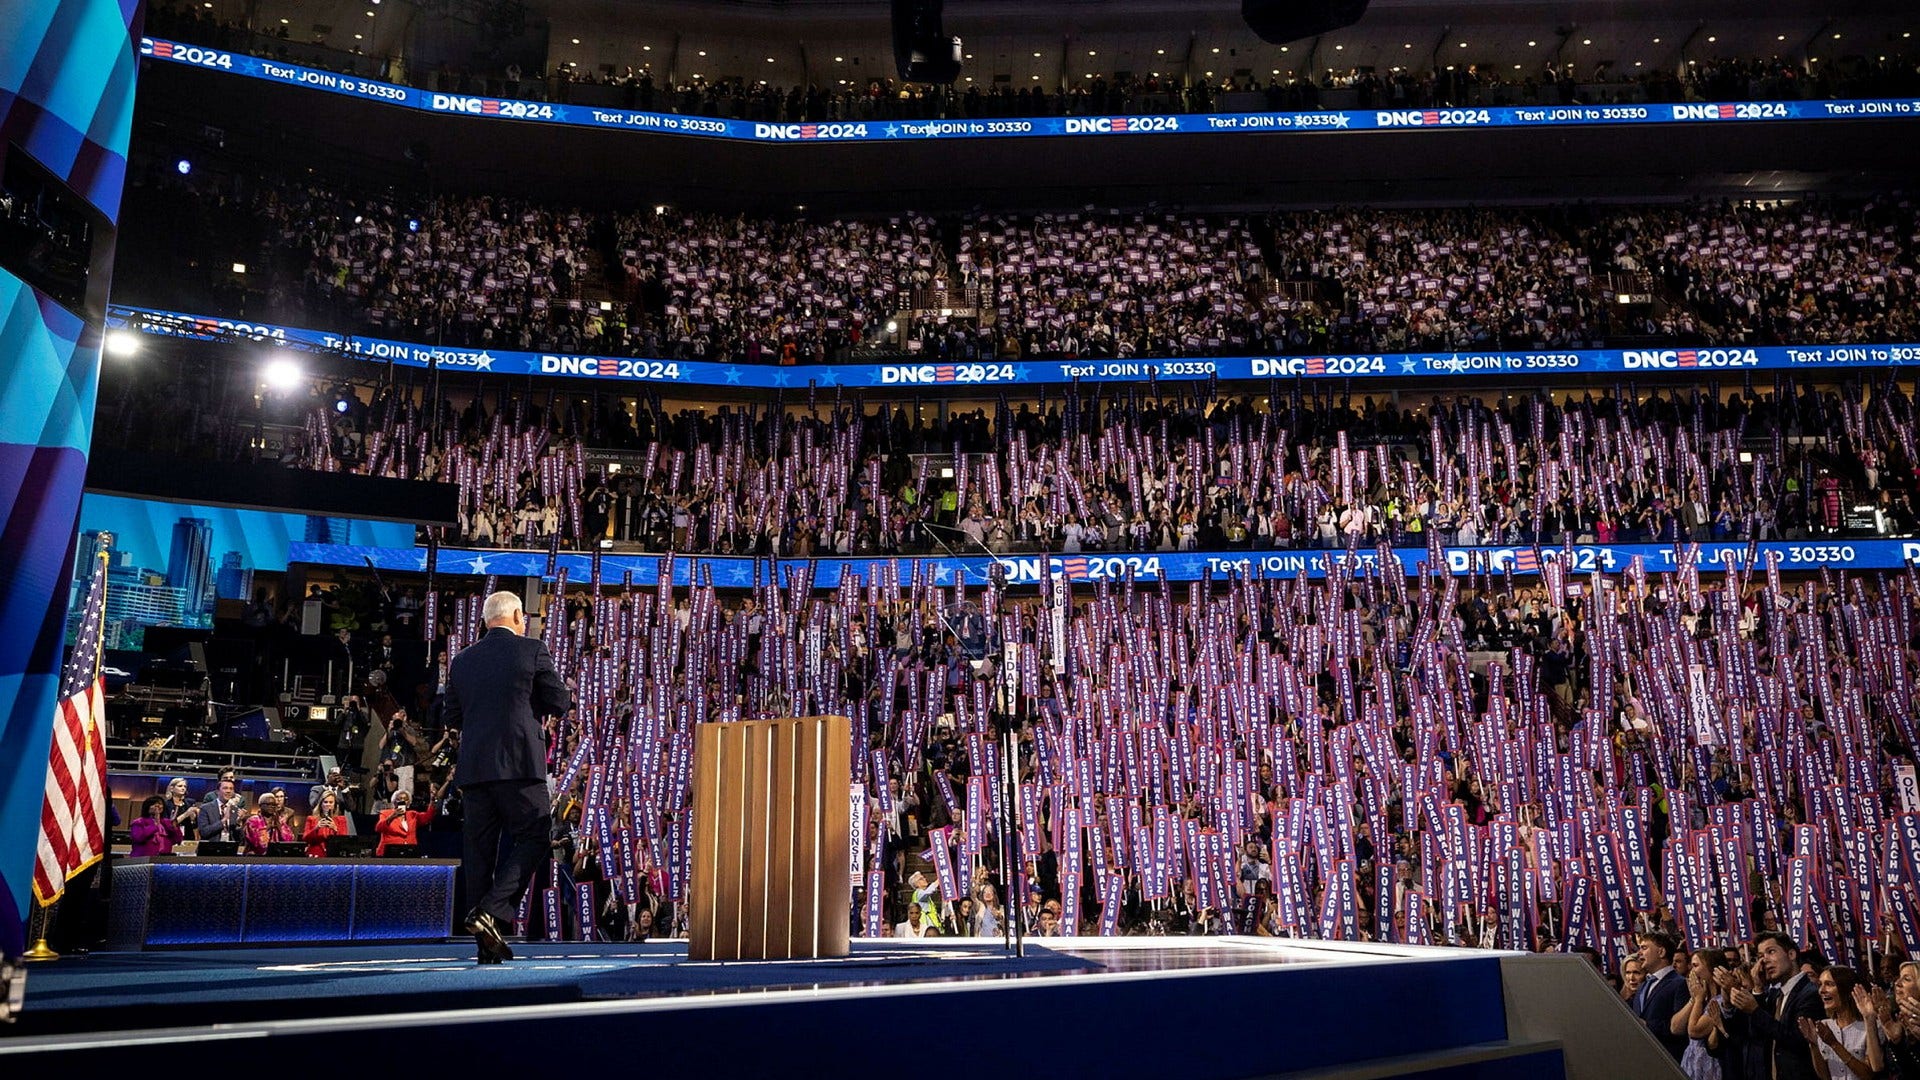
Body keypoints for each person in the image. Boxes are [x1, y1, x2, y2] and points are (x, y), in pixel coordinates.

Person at [444, 590, 571, 964]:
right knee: (535, 834)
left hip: (475, 770)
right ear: (518, 616)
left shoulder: (462, 661)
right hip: (520, 765)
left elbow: (452, 718)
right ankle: (493, 910)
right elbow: (559, 702)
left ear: (486, 621)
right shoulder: (532, 650)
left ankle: (486, 947)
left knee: (479, 855)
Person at [1726, 931, 1824, 1080]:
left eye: (1771, 952)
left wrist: (1755, 1010)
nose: (1764, 961)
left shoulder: (1810, 994)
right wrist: (1758, 989)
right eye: (1760, 956)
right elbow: (1757, 1035)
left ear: (1791, 955)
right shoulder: (1776, 994)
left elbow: (1797, 1041)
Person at [1797, 966, 1884, 1080]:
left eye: (1829, 984)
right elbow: (1825, 1076)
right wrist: (1814, 1045)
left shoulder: (1870, 1025)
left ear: (1846, 990)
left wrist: (1834, 1044)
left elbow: (1868, 1075)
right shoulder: (1824, 1026)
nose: (1821, 990)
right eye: (1820, 984)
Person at [1635, 929, 1690, 1061]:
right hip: (1642, 1059)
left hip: (1668, 1059)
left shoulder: (1680, 984)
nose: (1639, 953)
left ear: (1661, 952)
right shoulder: (1643, 986)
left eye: (1644, 948)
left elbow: (1680, 1028)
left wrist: (1647, 1026)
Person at [373, 784, 440, 855]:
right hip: (389, 852)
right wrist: (392, 817)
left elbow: (428, 817)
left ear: (409, 803)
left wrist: (432, 800)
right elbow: (378, 828)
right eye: (399, 799)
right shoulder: (386, 813)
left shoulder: (413, 814)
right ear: (394, 802)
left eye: (405, 799)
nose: (402, 801)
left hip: (409, 851)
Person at [194, 777, 248, 844]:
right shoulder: (205, 808)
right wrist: (223, 820)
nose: (228, 791)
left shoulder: (235, 809)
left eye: (231, 789)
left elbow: (239, 838)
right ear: (217, 791)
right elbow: (204, 832)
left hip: (229, 849)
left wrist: (239, 823)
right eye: (225, 788)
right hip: (210, 848)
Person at [242, 790, 296, 855]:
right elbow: (258, 844)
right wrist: (268, 827)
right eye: (268, 804)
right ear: (260, 805)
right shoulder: (253, 821)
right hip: (255, 857)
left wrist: (279, 826)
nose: (271, 807)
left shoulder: (279, 820)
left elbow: (289, 840)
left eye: (274, 805)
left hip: (275, 857)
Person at [303, 790, 350, 857]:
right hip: (315, 855)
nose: (328, 804)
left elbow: (344, 841)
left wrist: (335, 829)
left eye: (331, 802)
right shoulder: (311, 819)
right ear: (321, 804)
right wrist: (316, 828)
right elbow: (305, 838)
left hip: (334, 855)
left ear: (335, 805)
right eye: (325, 802)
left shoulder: (341, 820)